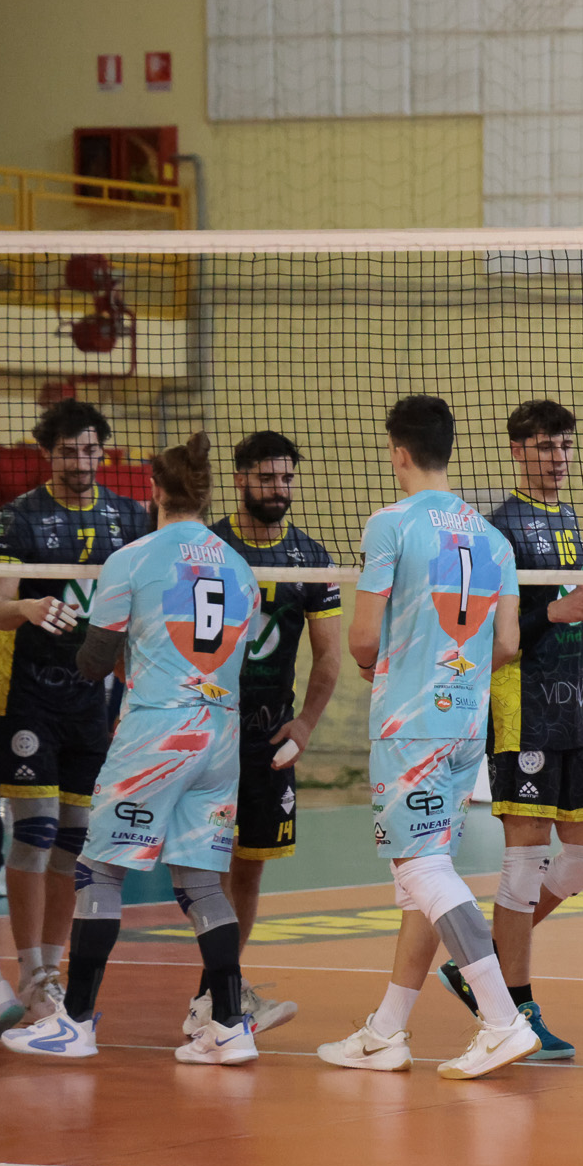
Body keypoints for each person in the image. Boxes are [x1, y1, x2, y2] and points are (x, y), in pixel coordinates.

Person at [1, 434, 262, 1064]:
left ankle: (76, 1022)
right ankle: (230, 1025)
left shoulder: (135, 558)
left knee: (99, 870)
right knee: (202, 882)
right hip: (220, 735)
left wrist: (85, 638)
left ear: (155, 491)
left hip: (157, 732)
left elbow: (94, 663)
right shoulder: (241, 567)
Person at [315, 396, 532, 1080]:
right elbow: (508, 643)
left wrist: (386, 660)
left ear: (398, 451)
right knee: (419, 880)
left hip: (411, 723)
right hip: (466, 721)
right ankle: (387, 1031)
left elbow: (362, 638)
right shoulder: (494, 539)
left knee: (421, 870)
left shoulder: (391, 524)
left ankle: (502, 1019)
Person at [436, 399, 583, 1061]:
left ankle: (478, 965)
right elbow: (492, 634)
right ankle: (514, 1006)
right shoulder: (499, 529)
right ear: (517, 450)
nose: (558, 458)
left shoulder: (567, 519)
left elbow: (566, 626)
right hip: (521, 713)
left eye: (565, 446)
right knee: (523, 865)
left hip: (568, 709)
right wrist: (554, 612)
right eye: (545, 447)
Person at [0, 398, 147, 1021]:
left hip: (90, 698)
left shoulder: (129, 518)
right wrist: (25, 608)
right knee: (36, 829)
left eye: (90, 450)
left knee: (76, 839)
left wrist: (135, 691)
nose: (81, 462)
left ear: (103, 452)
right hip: (26, 694)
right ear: (46, 453)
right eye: (68, 451)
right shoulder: (16, 520)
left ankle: (49, 974)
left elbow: (140, 615)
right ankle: (30, 971)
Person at [202, 430, 342, 1036]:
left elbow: (329, 655)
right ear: (240, 479)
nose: (279, 489)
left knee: (250, 865)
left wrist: (305, 723)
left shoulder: (310, 557)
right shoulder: (208, 546)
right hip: (207, 728)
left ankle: (216, 994)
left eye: (287, 478)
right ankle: (216, 995)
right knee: (201, 860)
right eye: (267, 478)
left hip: (268, 735)